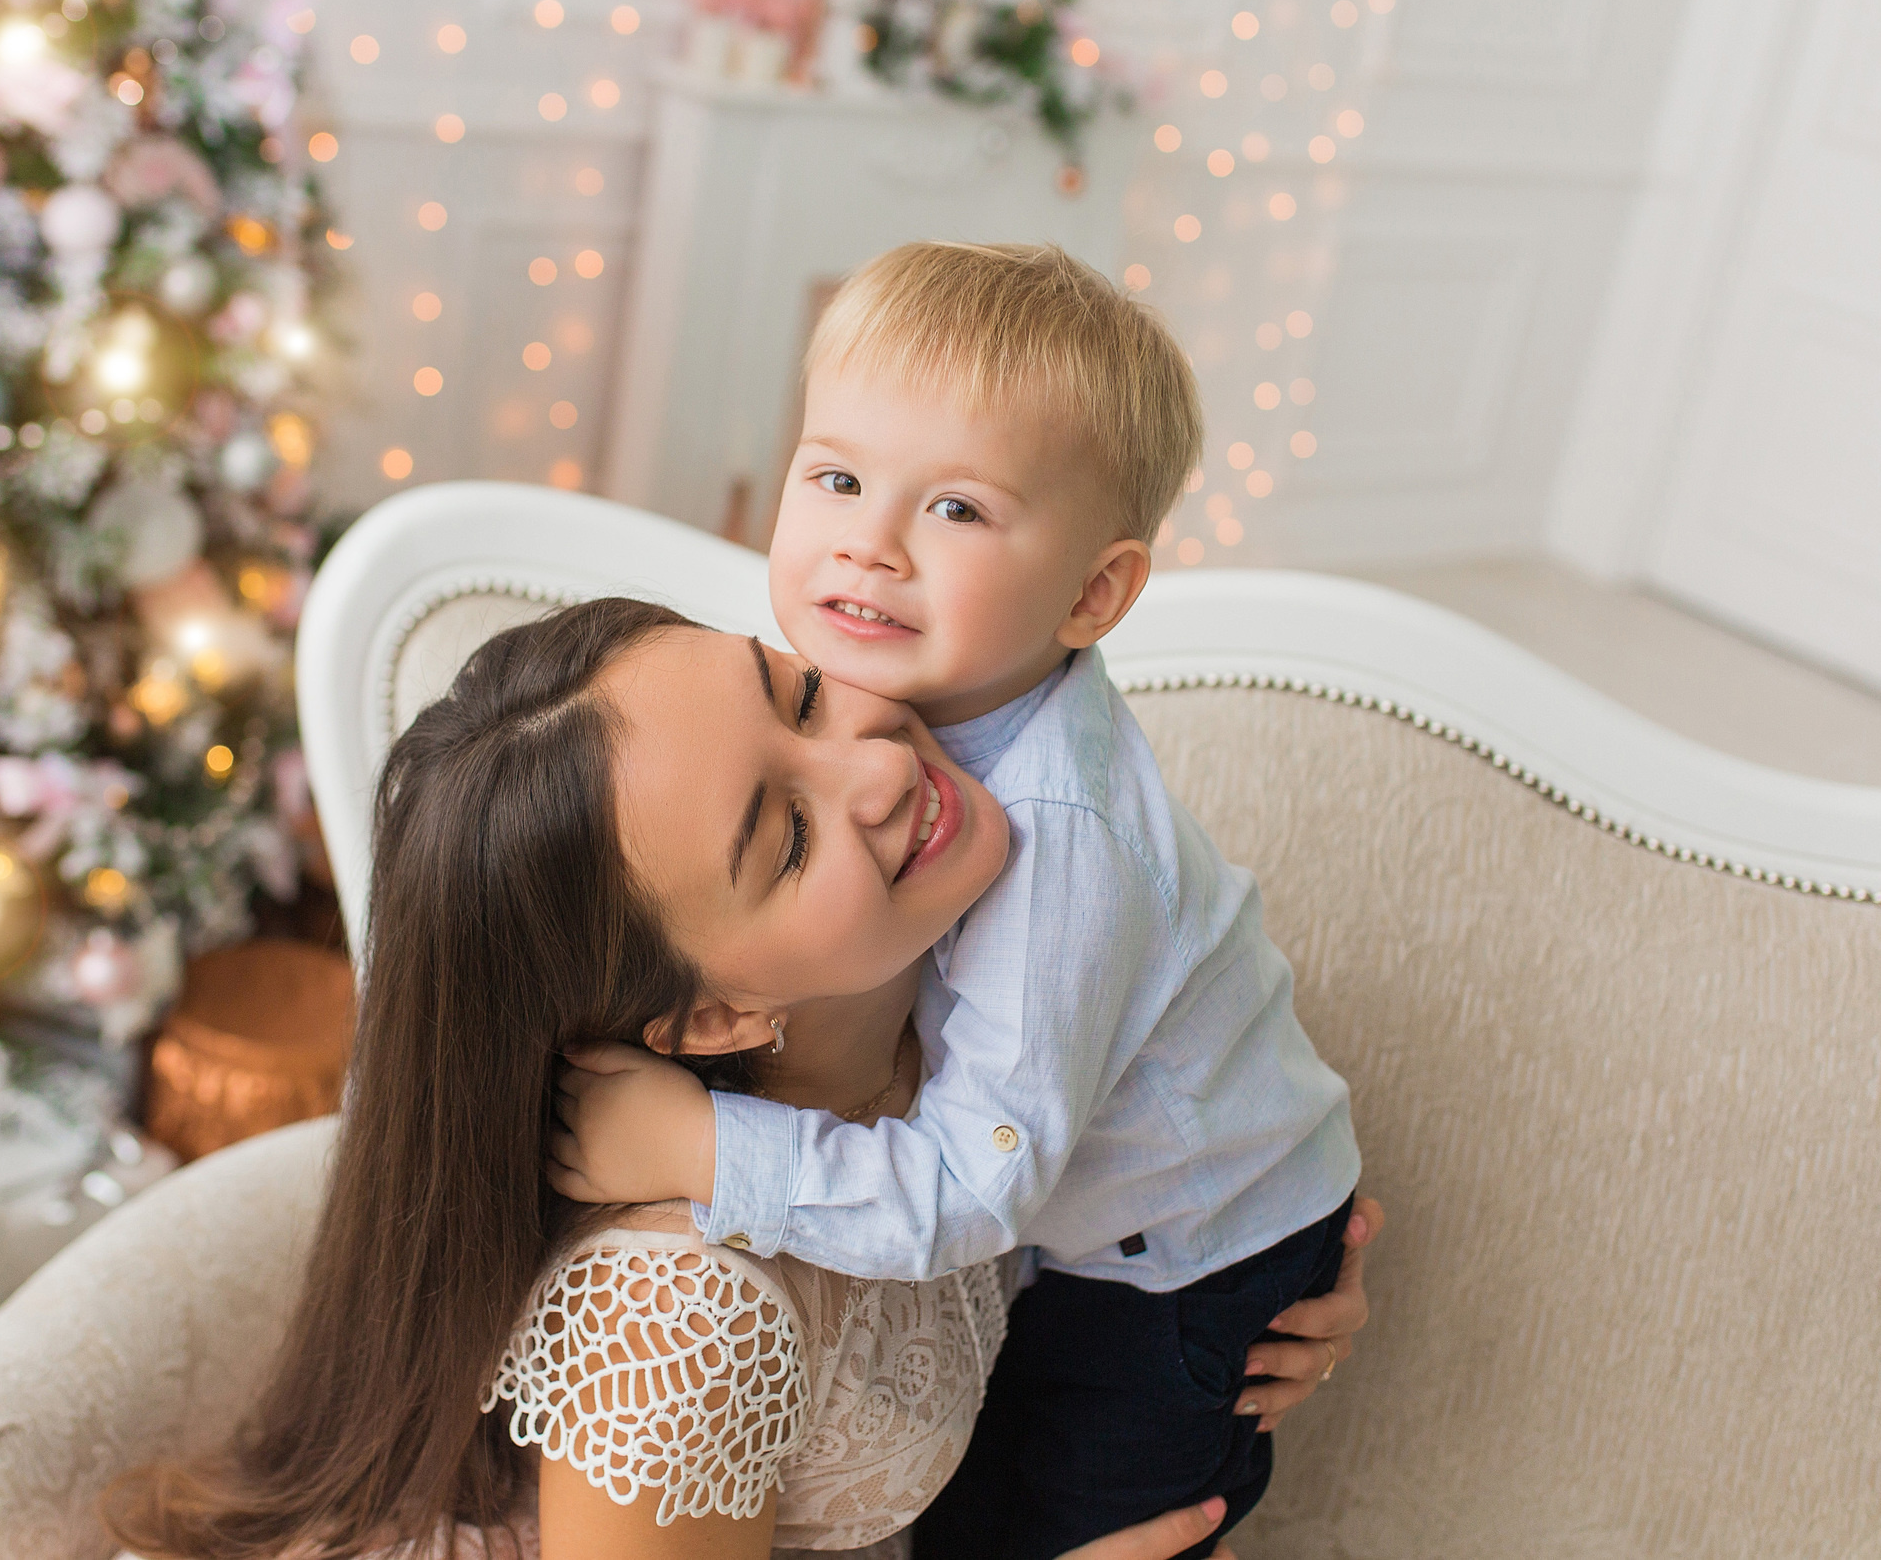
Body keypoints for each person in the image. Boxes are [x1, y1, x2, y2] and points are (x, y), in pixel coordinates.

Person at [105, 598, 1380, 1560]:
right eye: (788, 837)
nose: (883, 765)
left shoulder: (993, 1003)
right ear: (712, 1012)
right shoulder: (679, 1323)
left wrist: (1234, 1283)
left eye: (801, 695)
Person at [550, 243, 1362, 1560]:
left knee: (1036, 1518)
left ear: (1094, 593)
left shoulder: (1056, 839)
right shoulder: (818, 700)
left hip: (1180, 1260)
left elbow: (970, 1192)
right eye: (837, 477)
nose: (867, 542)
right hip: (1151, 1204)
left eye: (959, 510)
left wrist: (706, 1150)